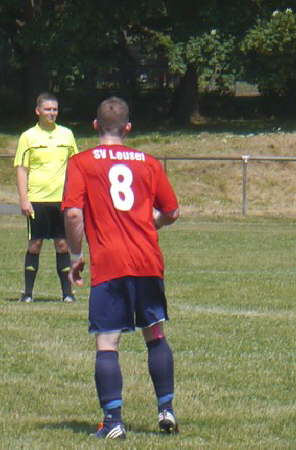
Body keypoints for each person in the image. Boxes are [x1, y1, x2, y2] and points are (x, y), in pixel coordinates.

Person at [62, 97, 180, 440]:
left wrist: (74, 255)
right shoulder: (148, 163)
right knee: (155, 334)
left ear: (95, 125)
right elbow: (172, 212)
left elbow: (72, 214)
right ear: (128, 128)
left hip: (111, 263)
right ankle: (166, 409)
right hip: (147, 260)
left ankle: (113, 421)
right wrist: (146, 226)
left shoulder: (82, 162)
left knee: (108, 343)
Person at [14, 92, 78, 303]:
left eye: (55, 109)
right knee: (35, 244)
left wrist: (75, 194)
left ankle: (67, 293)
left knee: (62, 244)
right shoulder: (28, 137)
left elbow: (74, 166)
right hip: (37, 199)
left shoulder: (67, 135)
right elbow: (22, 169)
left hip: (61, 199)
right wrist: (24, 198)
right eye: (48, 109)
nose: (52, 113)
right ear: (38, 111)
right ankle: (28, 293)